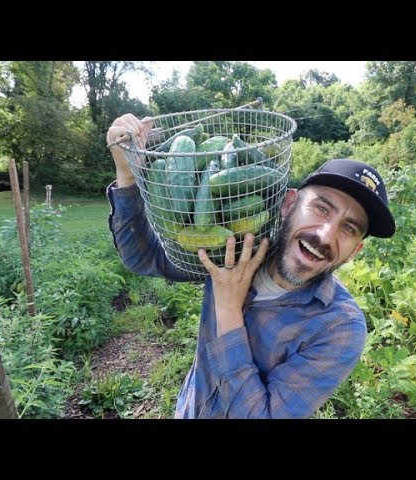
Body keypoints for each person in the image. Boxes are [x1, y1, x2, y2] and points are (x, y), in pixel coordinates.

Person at [105, 114, 396, 418]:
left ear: (355, 250)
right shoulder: (233, 250)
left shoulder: (340, 327)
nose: (325, 235)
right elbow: (142, 258)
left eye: (349, 228)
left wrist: (229, 310)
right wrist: (127, 176)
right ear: (288, 204)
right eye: (321, 208)